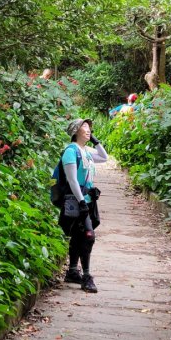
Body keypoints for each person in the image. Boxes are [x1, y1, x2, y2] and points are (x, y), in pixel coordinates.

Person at [59, 118, 107, 293]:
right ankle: (86, 276)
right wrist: (81, 202)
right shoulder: (71, 152)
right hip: (76, 201)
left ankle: (72, 271)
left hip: (88, 200)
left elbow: (104, 157)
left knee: (79, 236)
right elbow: (72, 180)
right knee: (88, 236)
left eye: (89, 127)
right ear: (75, 131)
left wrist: (95, 140)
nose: (88, 130)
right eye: (84, 127)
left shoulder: (86, 151)